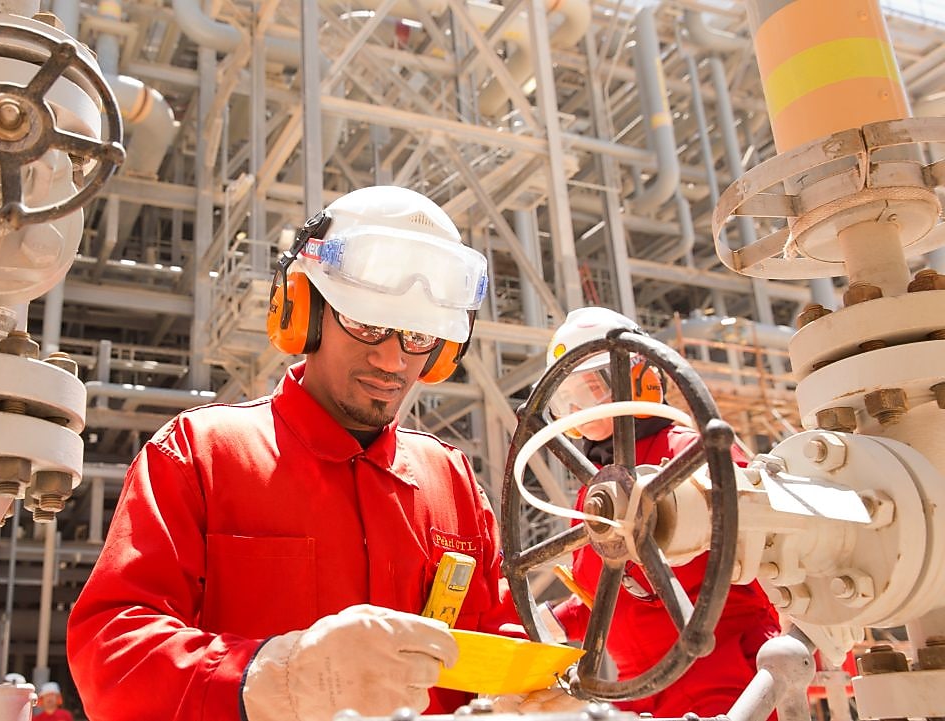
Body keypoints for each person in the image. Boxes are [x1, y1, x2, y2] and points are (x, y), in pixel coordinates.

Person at [67, 186, 568, 720]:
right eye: (367, 324)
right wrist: (275, 678)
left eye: (418, 336)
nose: (392, 360)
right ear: (306, 312)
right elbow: (111, 653)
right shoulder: (202, 454)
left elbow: (496, 634)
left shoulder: (451, 479)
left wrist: (533, 683)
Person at [541, 306, 780, 716]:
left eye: (591, 389)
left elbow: (767, 545)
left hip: (724, 672)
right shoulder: (596, 487)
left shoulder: (688, 453)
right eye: (566, 399)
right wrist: (552, 622)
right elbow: (613, 591)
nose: (579, 408)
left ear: (639, 379)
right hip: (638, 690)